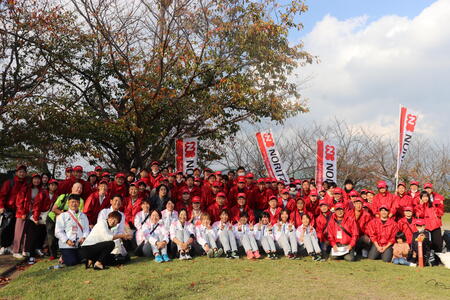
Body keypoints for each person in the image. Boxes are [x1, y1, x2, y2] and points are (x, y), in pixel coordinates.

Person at [12, 174, 45, 262]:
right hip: (22, 212)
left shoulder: (40, 190)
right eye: (35, 179)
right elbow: (19, 201)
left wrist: (35, 215)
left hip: (32, 213)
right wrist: (22, 212)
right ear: (32, 180)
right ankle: (15, 251)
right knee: (19, 231)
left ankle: (24, 250)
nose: (36, 181)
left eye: (38, 179)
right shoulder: (26, 188)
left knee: (28, 232)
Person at [0, 165, 28, 255]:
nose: (22, 173)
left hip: (19, 210)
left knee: (15, 229)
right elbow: (2, 195)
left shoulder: (25, 184)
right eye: (20, 172)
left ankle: (11, 247)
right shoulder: (9, 182)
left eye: (23, 172)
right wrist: (1, 206)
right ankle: (3, 246)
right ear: (16, 173)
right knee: (6, 228)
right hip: (9, 209)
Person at [54, 195, 89, 266]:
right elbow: (58, 232)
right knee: (71, 262)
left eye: (76, 202)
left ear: (79, 204)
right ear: (68, 203)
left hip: (80, 244)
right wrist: (67, 240)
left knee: (85, 260)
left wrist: (84, 238)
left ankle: (75, 255)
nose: (74, 204)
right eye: (72, 202)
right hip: (67, 245)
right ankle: (63, 257)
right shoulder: (63, 216)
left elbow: (86, 229)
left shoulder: (83, 216)